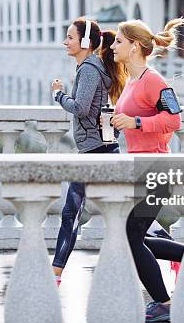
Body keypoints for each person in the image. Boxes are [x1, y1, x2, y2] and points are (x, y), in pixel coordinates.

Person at [110, 17, 184, 322]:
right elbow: (132, 119)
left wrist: (137, 122)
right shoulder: (132, 81)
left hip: (158, 170)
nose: (113, 46)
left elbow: (174, 120)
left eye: (118, 41)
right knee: (131, 235)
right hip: (140, 168)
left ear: (135, 46)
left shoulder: (154, 79)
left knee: (129, 235)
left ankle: (164, 303)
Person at [50, 18, 127, 285]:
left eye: (69, 37)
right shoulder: (91, 67)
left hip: (95, 150)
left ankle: (55, 274)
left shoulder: (89, 69)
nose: (65, 42)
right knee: (127, 214)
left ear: (84, 42)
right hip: (98, 147)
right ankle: (56, 272)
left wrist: (58, 95)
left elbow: (81, 108)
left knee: (71, 212)